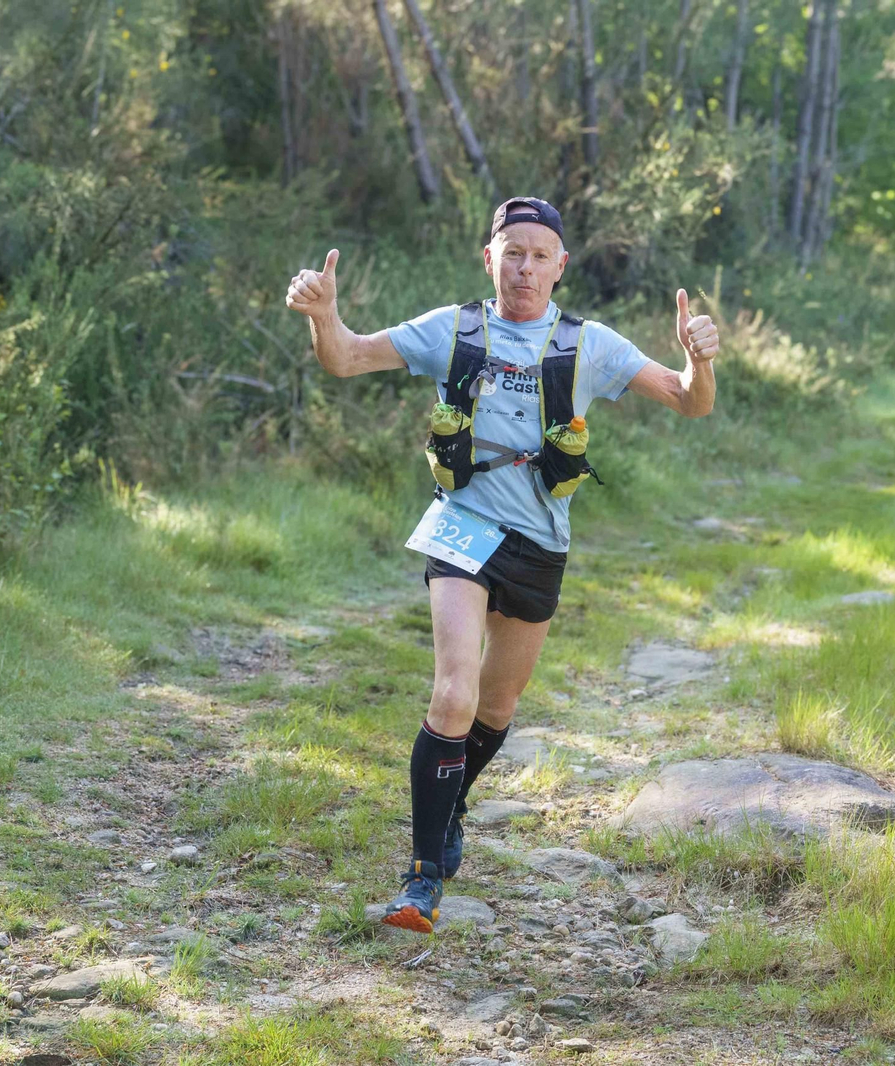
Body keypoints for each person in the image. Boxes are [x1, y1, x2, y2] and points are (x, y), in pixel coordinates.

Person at [283, 197, 719, 933]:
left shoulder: (592, 345)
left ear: (560, 267)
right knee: (452, 694)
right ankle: (421, 880)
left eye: (538, 254)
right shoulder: (453, 329)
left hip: (540, 542)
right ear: (489, 258)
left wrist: (698, 359)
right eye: (511, 251)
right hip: (462, 525)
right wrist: (323, 315)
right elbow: (348, 357)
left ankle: (450, 807)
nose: (524, 266)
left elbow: (689, 403)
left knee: (495, 707)